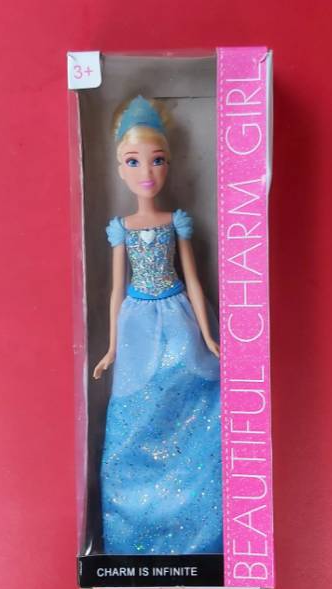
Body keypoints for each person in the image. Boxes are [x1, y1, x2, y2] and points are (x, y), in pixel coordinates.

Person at [93, 96, 222, 555]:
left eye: (157, 160)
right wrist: (111, 348)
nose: (146, 171)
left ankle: (203, 524)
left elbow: (194, 280)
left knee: (197, 399)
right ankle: (132, 531)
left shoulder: (174, 222)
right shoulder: (122, 227)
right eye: (133, 161)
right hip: (136, 325)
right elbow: (115, 290)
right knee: (134, 413)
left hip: (178, 314)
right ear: (120, 168)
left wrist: (209, 335)